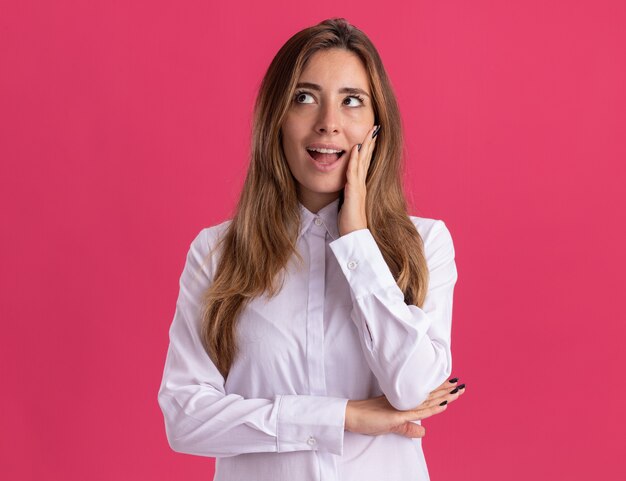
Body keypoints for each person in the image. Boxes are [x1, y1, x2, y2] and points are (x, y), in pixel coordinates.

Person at [157, 17, 465, 481]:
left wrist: (357, 240)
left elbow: (412, 388)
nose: (328, 124)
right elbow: (185, 418)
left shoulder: (425, 244)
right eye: (305, 98)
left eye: (351, 102)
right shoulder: (217, 253)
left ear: (377, 125)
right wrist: (342, 416)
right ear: (276, 119)